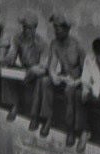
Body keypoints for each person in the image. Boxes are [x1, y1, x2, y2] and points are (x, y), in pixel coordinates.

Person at [41, 14, 79, 146]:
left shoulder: (76, 45)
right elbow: (52, 65)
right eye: (55, 28)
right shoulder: (54, 43)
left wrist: (75, 81)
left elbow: (87, 70)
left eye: (59, 29)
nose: (56, 32)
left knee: (69, 92)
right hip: (63, 77)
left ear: (67, 30)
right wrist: (54, 75)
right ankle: (49, 118)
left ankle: (70, 130)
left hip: (75, 80)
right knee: (46, 82)